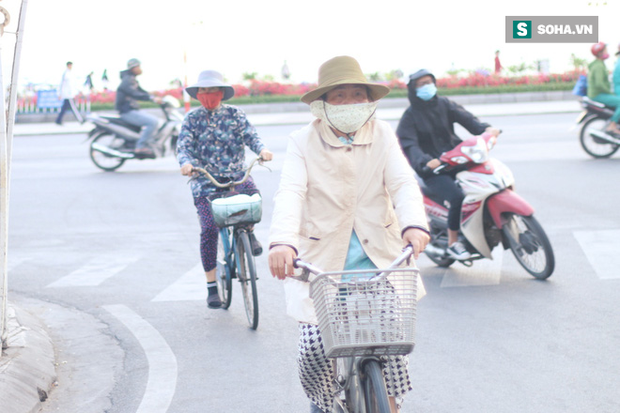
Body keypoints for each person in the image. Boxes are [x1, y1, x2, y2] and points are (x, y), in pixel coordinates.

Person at [268, 56, 430, 413]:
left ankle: (390, 405)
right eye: (339, 96)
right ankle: (326, 405)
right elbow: (290, 193)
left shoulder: (383, 133)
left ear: (368, 101)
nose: (349, 103)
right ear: (322, 104)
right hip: (321, 269)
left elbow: (402, 183)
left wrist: (414, 223)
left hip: (381, 263)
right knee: (314, 353)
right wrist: (282, 241)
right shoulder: (301, 141)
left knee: (392, 345)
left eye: (357, 94)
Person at [177, 70, 273, 309]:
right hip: (205, 179)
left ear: (221, 93)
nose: (209, 95)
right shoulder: (192, 119)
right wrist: (186, 164)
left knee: (253, 197)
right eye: (204, 91)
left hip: (236, 174)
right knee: (209, 229)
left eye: (213, 90)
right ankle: (211, 287)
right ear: (198, 94)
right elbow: (183, 146)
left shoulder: (235, 114)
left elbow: (252, 137)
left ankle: (248, 232)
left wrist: (262, 151)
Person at [396, 69, 500, 260]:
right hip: (433, 169)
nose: (426, 87)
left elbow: (467, 119)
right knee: (457, 197)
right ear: (412, 89)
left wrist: (486, 129)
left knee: (485, 181)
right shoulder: (409, 117)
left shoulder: (444, 104)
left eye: (429, 82)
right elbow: (409, 145)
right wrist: (426, 161)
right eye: (421, 84)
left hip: (457, 159)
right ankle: (453, 242)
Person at [115, 58, 163, 158]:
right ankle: (140, 146)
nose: (140, 69)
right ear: (133, 67)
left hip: (132, 109)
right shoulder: (127, 80)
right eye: (138, 67)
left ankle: (145, 142)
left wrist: (151, 95)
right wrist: (151, 98)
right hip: (127, 111)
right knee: (152, 122)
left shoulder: (131, 79)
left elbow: (140, 91)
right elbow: (134, 93)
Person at [587, 42, 620, 136]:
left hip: (598, 94)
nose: (607, 52)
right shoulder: (598, 66)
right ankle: (612, 125)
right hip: (598, 95)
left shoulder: (599, 64)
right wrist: (610, 93)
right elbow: (599, 84)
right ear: (600, 52)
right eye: (605, 50)